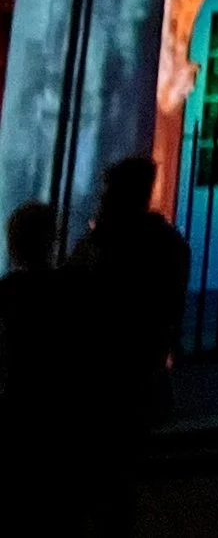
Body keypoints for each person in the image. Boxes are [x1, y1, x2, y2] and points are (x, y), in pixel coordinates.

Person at [72, 157, 189, 536]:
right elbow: (172, 304)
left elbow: (79, 293)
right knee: (121, 464)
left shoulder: (104, 243)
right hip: (141, 361)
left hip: (103, 365)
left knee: (100, 459)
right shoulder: (169, 243)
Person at [0, 200, 80, 466]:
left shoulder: (8, 290)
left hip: (17, 394)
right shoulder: (69, 287)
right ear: (53, 240)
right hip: (58, 402)